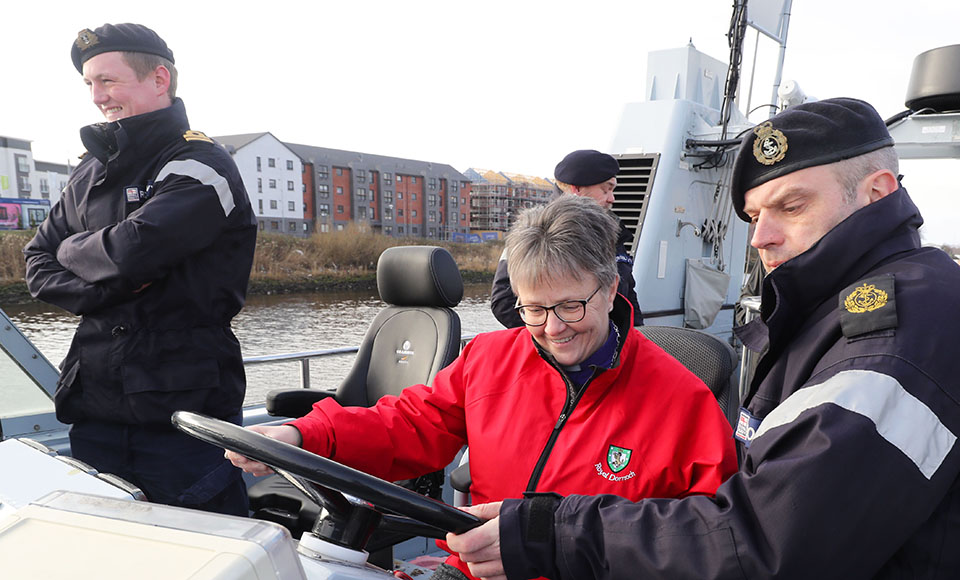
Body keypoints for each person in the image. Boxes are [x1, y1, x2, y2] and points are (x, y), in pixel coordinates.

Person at [446, 97, 960, 579]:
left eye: (793, 206)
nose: (760, 237)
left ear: (878, 191)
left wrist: (556, 533)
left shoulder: (898, 332)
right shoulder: (832, 317)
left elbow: (768, 541)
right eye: (756, 216)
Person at [228, 195, 736, 580]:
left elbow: (711, 536)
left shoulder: (684, 402)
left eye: (569, 307)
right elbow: (407, 425)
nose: (552, 329)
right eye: (533, 309)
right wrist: (305, 434)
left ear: (608, 290)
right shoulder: (488, 358)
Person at [23, 23, 257, 516]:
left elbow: (133, 252)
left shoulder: (200, 164)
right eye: (89, 84)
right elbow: (38, 263)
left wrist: (82, 252)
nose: (97, 97)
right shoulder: (89, 171)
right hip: (96, 410)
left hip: (181, 418)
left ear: (159, 78)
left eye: (108, 81)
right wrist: (104, 284)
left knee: (210, 552)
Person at [490, 149, 644, 327]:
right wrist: (554, 343)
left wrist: (637, 338)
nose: (612, 198)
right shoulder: (534, 231)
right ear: (576, 189)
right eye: (605, 190)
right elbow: (503, 302)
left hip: (617, 349)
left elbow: (628, 295)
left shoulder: (611, 231)